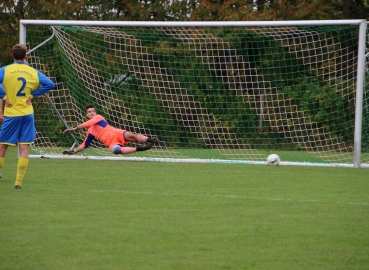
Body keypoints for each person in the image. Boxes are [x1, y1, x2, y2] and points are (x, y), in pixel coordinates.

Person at [0, 43, 56, 189]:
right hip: (27, 114)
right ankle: (18, 182)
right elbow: (50, 84)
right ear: (25, 56)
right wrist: (32, 94)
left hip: (12, 114)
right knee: (24, 147)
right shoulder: (32, 71)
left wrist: (4, 96)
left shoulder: (5, 70)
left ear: (12, 55)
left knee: (3, 146)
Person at [62, 104, 159, 156]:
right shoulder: (90, 131)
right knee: (115, 151)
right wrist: (74, 151)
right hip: (110, 142)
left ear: (95, 112)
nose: (92, 113)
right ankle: (141, 149)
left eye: (93, 111)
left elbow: (88, 123)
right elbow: (85, 144)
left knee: (132, 136)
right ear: (86, 115)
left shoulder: (98, 117)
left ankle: (150, 140)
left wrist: (75, 128)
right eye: (89, 112)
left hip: (116, 133)